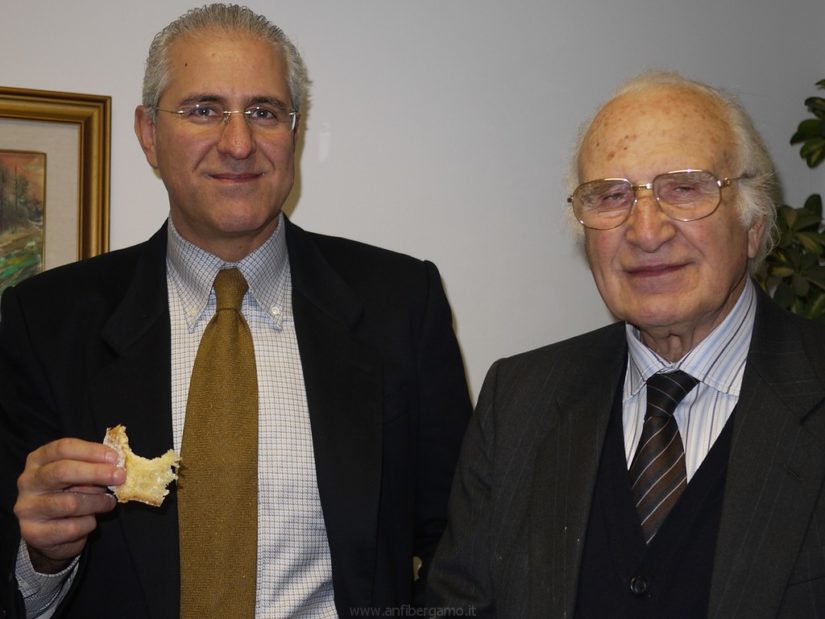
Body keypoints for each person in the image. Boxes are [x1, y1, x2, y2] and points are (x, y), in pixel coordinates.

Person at [0, 4, 471, 618]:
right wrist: (42, 558)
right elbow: (15, 569)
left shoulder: (402, 304)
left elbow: (462, 545)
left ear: (294, 133)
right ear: (148, 134)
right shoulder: (46, 321)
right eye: (204, 110)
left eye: (264, 112)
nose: (239, 143)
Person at [426, 71, 825, 618]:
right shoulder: (517, 400)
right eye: (610, 197)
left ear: (753, 223)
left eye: (684, 188)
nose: (646, 231)